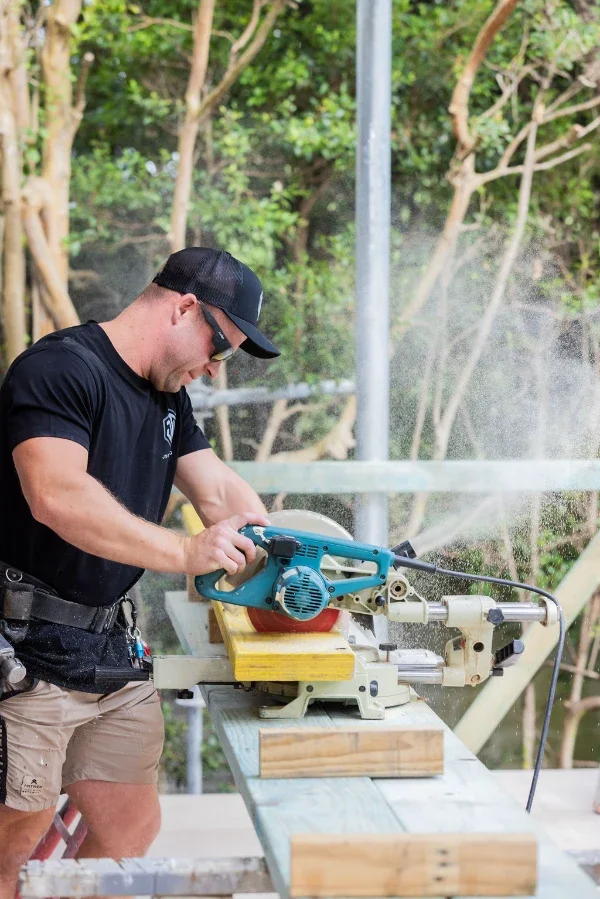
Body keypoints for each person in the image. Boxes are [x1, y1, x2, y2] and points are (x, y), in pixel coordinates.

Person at [0, 247, 279, 895]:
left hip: (108, 649)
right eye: (220, 349)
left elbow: (217, 493)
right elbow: (56, 494)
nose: (212, 369)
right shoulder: (59, 369)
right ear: (184, 307)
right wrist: (185, 554)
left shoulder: (167, 396)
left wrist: (283, 552)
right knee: (17, 839)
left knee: (130, 827)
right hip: (25, 650)